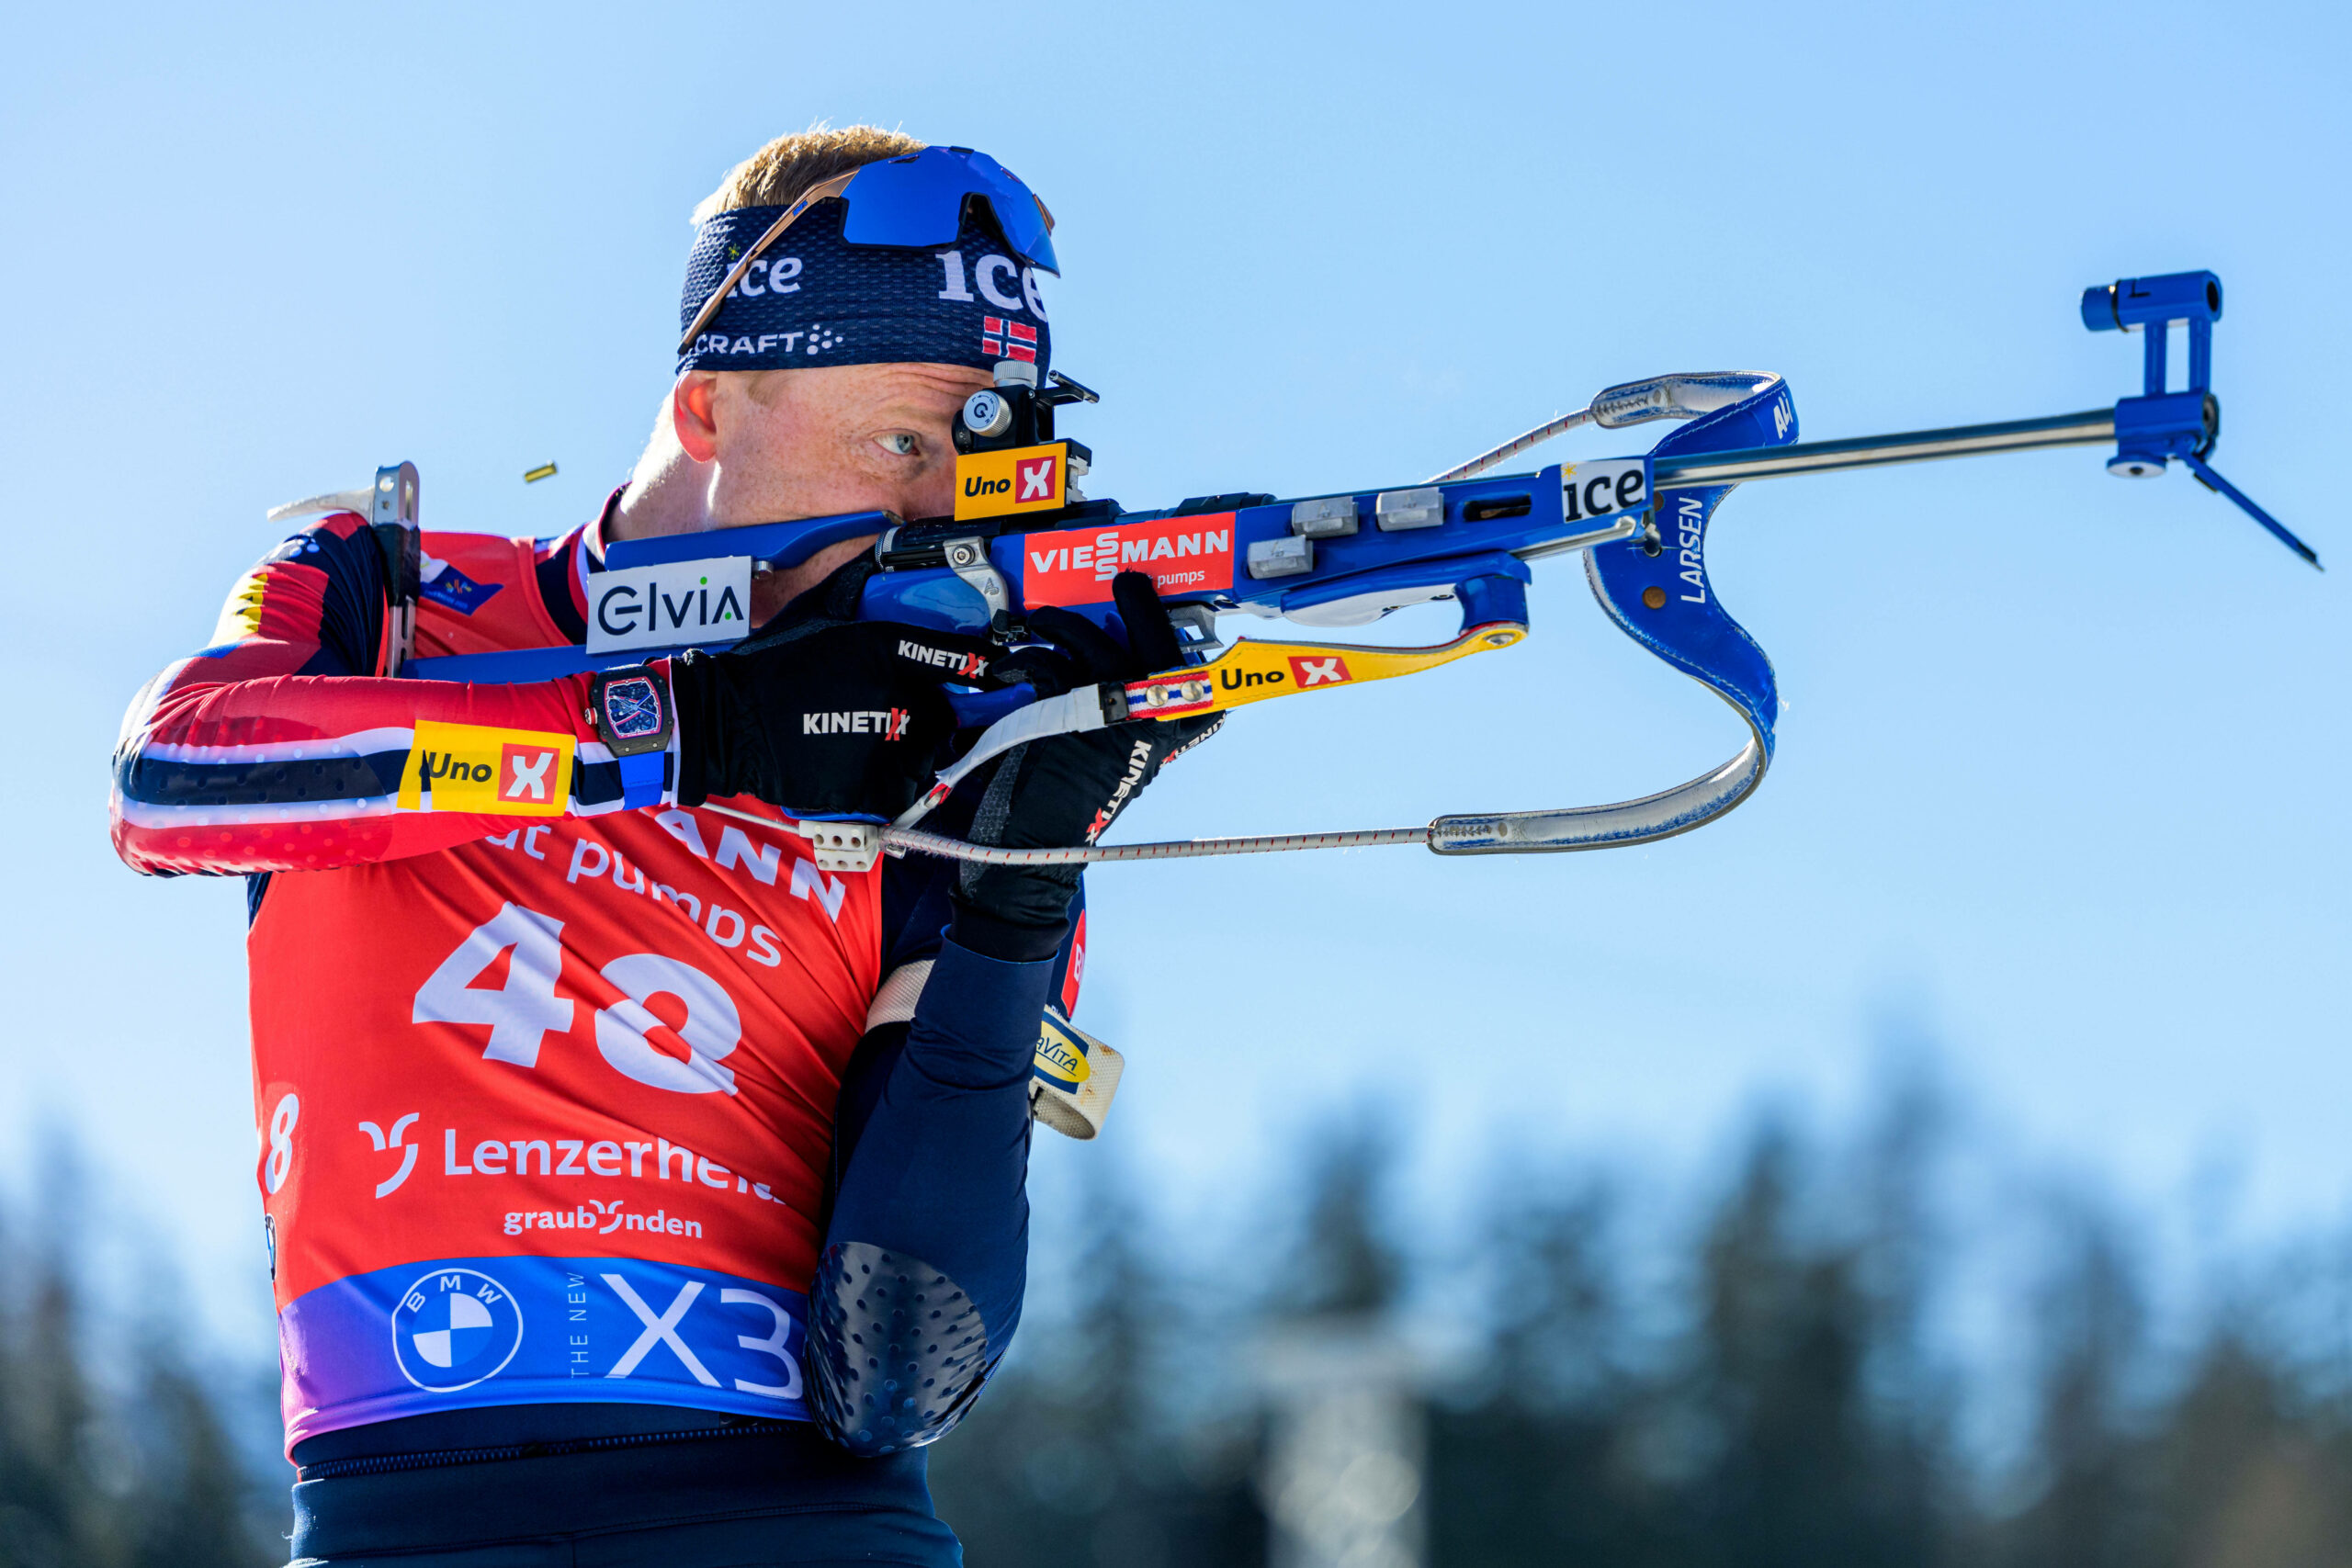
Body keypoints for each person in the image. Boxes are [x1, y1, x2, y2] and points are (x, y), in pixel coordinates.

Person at [109, 124, 1211, 1567]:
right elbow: (174, 783)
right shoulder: (396, 601)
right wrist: (682, 731)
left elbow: (900, 1362)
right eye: (904, 439)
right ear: (707, 411)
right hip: (410, 1520)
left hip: (811, 1528)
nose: (941, 504)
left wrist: (1025, 870)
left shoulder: (943, 740)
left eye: (993, 454)